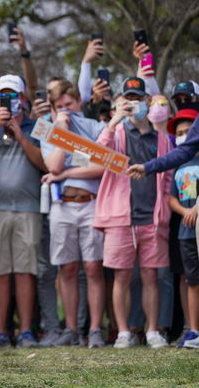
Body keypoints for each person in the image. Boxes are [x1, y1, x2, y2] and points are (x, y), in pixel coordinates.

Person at [95, 78, 171, 349]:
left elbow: (168, 176)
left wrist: (162, 211)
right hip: (120, 217)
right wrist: (115, 119)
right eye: (128, 97)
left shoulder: (162, 137)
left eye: (138, 97)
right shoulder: (116, 134)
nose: (134, 103)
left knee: (151, 276)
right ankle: (124, 331)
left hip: (152, 217)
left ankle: (151, 331)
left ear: (148, 101)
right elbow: (98, 155)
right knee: (122, 276)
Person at [0, 74, 45, 348]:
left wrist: (20, 134)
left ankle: (26, 330)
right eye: (3, 95)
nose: (8, 100)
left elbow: (45, 163)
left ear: (23, 99)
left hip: (28, 209)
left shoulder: (37, 126)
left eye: (13, 95)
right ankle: (0, 331)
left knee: (25, 270)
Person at [40, 79, 106, 348]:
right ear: (53, 109)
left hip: (92, 203)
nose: (66, 110)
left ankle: (95, 329)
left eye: (69, 104)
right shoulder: (46, 129)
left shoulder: (96, 127)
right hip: (62, 206)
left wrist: (68, 172)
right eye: (59, 106)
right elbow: (53, 166)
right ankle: (71, 329)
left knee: (92, 267)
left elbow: (102, 165)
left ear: (78, 101)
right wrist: (61, 131)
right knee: (66, 269)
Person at [165, 109, 199, 348]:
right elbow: (171, 198)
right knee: (192, 280)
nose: (184, 136)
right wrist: (185, 211)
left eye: (189, 131)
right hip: (186, 231)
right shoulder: (178, 164)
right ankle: (194, 330)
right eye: (179, 133)